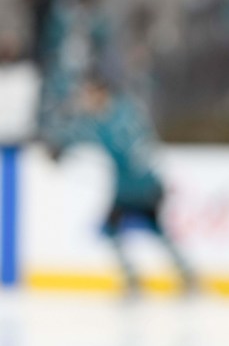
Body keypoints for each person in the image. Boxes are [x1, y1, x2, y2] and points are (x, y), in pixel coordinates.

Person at [48, 71, 197, 297]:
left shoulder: (121, 113)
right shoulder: (98, 119)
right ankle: (170, 274)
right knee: (125, 229)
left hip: (140, 184)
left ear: (100, 92)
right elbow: (76, 135)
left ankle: (172, 275)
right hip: (127, 185)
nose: (85, 100)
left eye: (88, 94)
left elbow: (137, 144)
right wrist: (60, 147)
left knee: (144, 228)